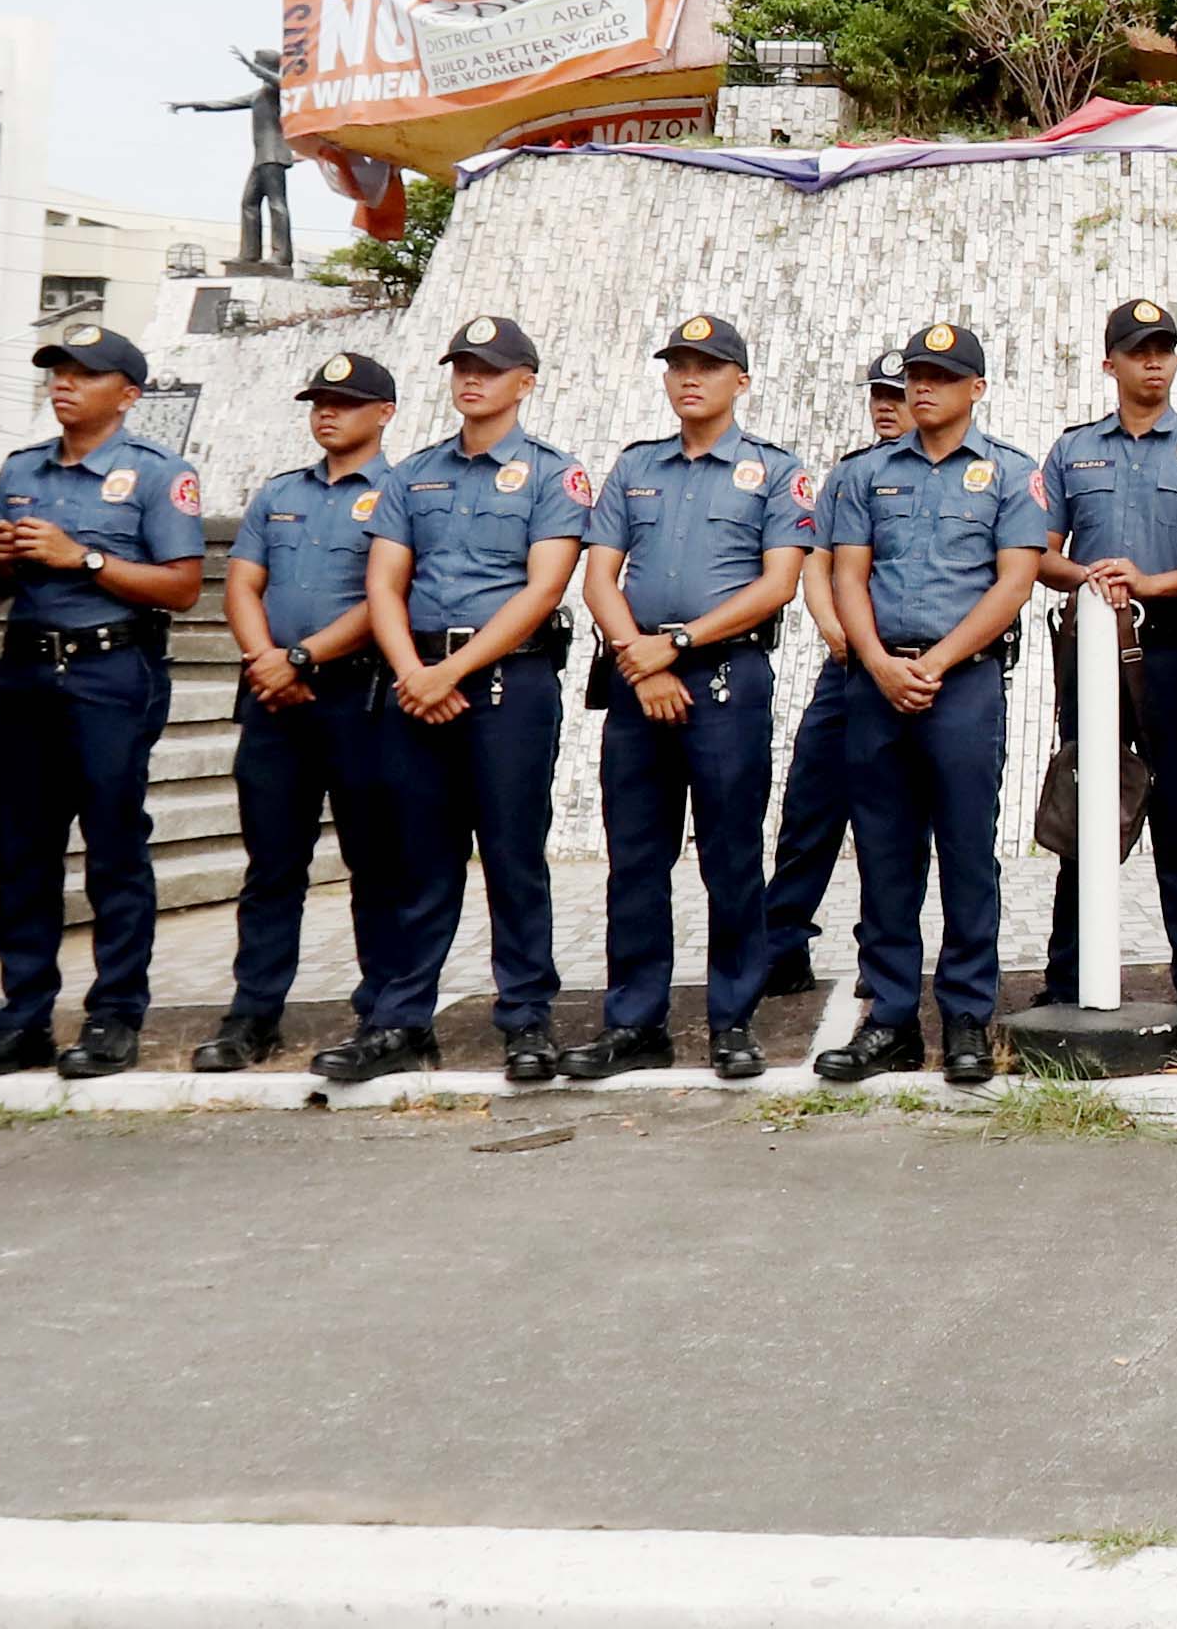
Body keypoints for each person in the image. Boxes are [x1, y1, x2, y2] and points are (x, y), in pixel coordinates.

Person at [345, 313, 591, 1088]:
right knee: (417, 861)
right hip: (416, 682)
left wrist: (448, 673)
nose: (470, 378)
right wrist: (414, 669)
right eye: (460, 365)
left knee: (515, 857)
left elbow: (544, 587)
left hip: (504, 684)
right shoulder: (412, 473)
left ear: (526, 381)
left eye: (488, 367)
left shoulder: (554, 473)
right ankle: (400, 1019)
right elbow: (384, 582)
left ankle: (526, 1019)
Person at [811, 319, 1055, 1087]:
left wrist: (940, 661)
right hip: (878, 681)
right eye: (916, 373)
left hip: (965, 683)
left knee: (966, 853)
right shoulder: (865, 474)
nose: (922, 386)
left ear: (975, 389)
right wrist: (878, 661)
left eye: (942, 376)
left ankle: (966, 1018)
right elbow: (848, 574)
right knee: (884, 853)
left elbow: (1014, 581)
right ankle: (888, 1020)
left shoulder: (1012, 475)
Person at [0, 326, 208, 1079]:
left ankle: (114, 1015)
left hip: (112, 674)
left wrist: (87, 557)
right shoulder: (20, 468)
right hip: (27, 674)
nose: (64, 384)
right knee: (23, 852)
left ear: (127, 395)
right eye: (58, 371)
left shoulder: (157, 474)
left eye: (84, 374)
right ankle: (22, 1016)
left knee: (113, 847)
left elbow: (184, 586)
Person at [589, 314, 816, 1083]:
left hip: (725, 678)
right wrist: (640, 660)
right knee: (636, 858)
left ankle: (732, 1019)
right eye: (679, 364)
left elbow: (778, 583)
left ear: (740, 381)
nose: (691, 377)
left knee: (730, 853)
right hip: (636, 676)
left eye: (710, 366)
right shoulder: (634, 467)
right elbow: (599, 576)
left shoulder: (776, 472)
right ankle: (634, 1021)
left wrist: (678, 645)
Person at [204, 348, 407, 1074]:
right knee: (272, 865)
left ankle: (381, 1009)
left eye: (346, 402)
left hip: (357, 695)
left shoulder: (402, 491)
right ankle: (251, 1015)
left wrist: (302, 657)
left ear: (383, 413)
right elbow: (242, 585)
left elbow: (388, 596)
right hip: (272, 700)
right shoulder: (278, 492)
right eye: (319, 400)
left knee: (374, 863)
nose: (327, 411)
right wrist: (268, 660)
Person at [1039, 297, 1177, 1049]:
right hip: (1093, 651)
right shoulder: (1072, 451)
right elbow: (1041, 552)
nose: (1154, 361)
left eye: (1165, 349)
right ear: (1109, 362)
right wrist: (1089, 575)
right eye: (1138, 349)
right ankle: (1065, 975)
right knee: (1086, 808)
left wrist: (1147, 583)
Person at [758, 352, 913, 1014]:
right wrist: (835, 630)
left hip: (914, 665)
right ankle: (783, 940)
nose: (885, 403)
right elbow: (817, 563)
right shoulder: (851, 473)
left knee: (894, 818)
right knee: (810, 802)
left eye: (898, 393)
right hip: (848, 664)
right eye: (879, 393)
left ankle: (881, 954)